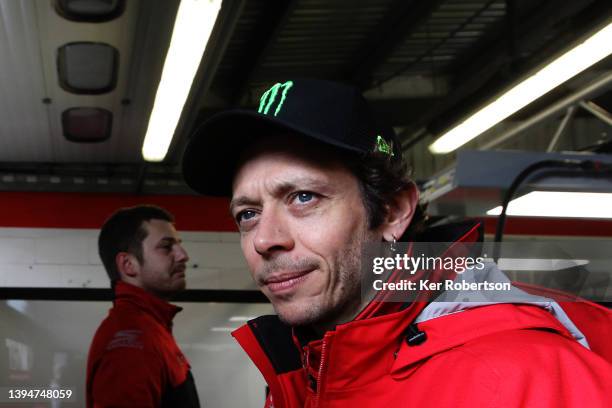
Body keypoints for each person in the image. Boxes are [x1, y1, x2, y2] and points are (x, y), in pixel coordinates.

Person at [182, 79, 611, 407]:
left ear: (392, 211)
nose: (265, 240)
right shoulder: (304, 370)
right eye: (248, 214)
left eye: (303, 197)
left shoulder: (528, 377)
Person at [86, 205, 200, 408]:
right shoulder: (131, 341)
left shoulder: (150, 328)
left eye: (179, 245)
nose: (183, 255)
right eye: (166, 246)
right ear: (128, 264)